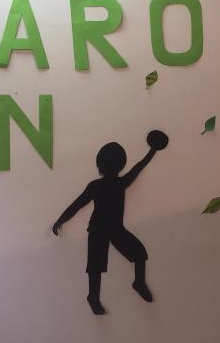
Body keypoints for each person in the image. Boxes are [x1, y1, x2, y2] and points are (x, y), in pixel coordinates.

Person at [53, 130, 168, 315]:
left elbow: (139, 167)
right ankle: (93, 297)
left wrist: (153, 150)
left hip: (114, 229)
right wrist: (61, 220)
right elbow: (78, 204)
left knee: (138, 253)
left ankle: (138, 283)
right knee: (95, 266)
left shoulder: (119, 183)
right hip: (98, 229)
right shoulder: (102, 185)